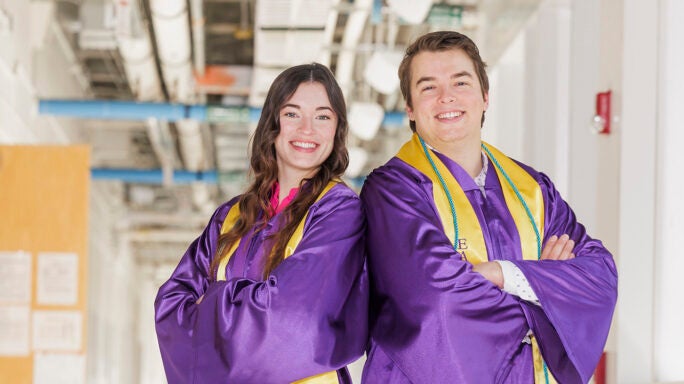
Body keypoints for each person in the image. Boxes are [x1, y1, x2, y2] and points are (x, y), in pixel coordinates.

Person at [360, 31, 617, 383]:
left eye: (460, 82)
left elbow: (599, 276)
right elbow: (438, 302)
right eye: (428, 87)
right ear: (410, 108)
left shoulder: (534, 190)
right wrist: (546, 290)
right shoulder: (392, 191)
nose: (446, 97)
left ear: (485, 96)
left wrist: (499, 274)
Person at [155, 63, 368, 383]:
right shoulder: (231, 217)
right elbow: (171, 309)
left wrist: (212, 302)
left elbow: (291, 320)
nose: (307, 129)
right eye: (292, 114)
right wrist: (255, 302)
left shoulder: (339, 212)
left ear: (336, 129)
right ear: (273, 122)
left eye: (322, 116)